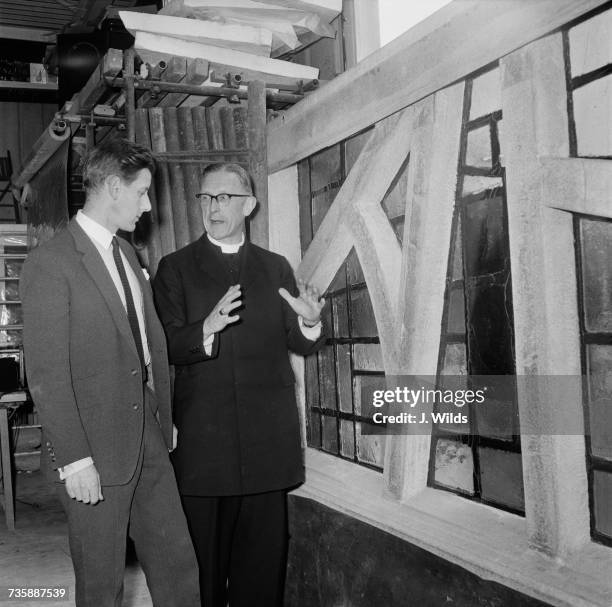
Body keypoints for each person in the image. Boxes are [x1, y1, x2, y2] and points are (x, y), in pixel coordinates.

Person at [21, 139, 200, 607]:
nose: (147, 206)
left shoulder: (129, 256)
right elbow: (46, 373)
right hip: (93, 447)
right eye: (142, 193)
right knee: (101, 582)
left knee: (177, 561)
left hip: (148, 434)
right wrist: (75, 459)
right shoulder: (51, 263)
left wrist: (163, 417)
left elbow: (146, 344)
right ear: (114, 188)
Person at [153, 162, 326, 607]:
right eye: (206, 198)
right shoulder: (174, 269)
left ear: (249, 205)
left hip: (266, 445)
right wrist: (205, 328)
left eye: (224, 197)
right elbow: (166, 344)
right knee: (202, 576)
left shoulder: (274, 268)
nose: (213, 207)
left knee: (261, 573)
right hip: (204, 452)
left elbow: (298, 343)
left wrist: (309, 323)